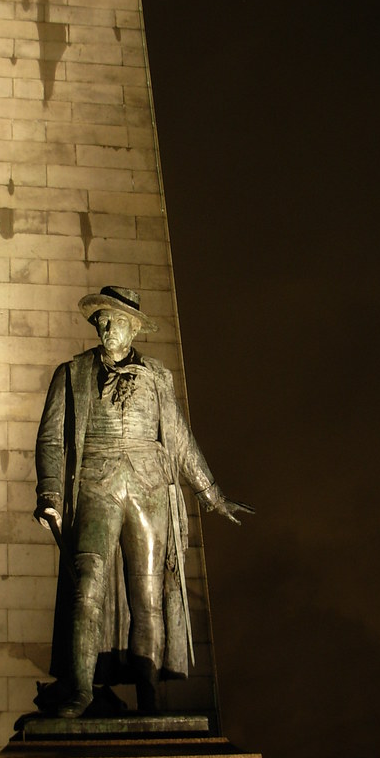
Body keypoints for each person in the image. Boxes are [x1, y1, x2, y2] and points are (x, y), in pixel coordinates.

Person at [34, 285, 253, 717]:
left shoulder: (158, 376)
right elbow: (51, 438)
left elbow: (178, 438)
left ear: (134, 326)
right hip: (96, 484)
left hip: (150, 485)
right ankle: (80, 689)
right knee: (88, 584)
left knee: (147, 595)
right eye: (100, 319)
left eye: (114, 319)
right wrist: (50, 493)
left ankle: (150, 695)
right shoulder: (71, 373)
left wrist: (212, 494)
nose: (105, 326)